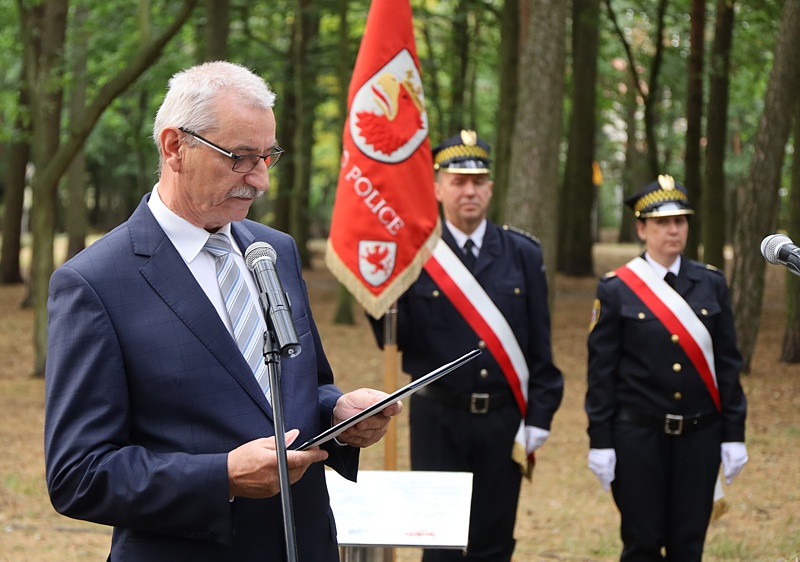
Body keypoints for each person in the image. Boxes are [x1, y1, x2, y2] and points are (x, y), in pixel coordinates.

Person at [44, 61, 401, 562]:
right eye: (240, 158)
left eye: (268, 157)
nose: (260, 181)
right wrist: (222, 478)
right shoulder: (94, 283)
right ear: (174, 147)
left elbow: (301, 386)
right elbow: (78, 475)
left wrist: (338, 414)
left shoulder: (275, 250)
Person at [370, 130, 564, 561]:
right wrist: (377, 295)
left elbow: (540, 348)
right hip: (438, 419)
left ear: (490, 188)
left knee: (493, 543)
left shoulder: (523, 253)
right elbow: (397, 340)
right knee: (438, 545)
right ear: (438, 188)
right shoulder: (416, 255)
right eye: (458, 181)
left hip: (503, 418)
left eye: (478, 181)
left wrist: (540, 417)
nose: (469, 191)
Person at [585, 175, 749, 561]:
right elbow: (601, 374)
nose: (673, 230)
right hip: (638, 437)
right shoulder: (616, 288)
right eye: (662, 222)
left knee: (688, 544)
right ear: (642, 228)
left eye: (680, 221)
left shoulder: (711, 283)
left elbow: (728, 365)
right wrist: (601, 440)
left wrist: (734, 433)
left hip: (700, 435)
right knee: (641, 542)